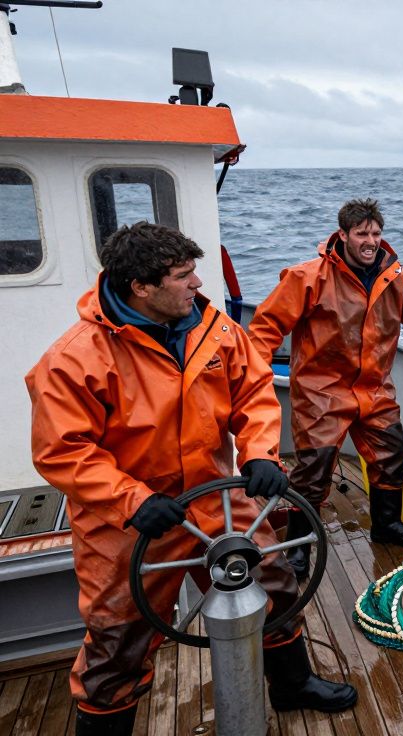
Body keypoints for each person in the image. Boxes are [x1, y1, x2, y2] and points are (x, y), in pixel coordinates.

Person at [26, 223, 357, 735]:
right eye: (183, 276)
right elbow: (62, 451)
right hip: (128, 520)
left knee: (274, 586)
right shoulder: (74, 359)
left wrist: (260, 453)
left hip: (216, 497)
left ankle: (292, 685)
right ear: (141, 286)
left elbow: (254, 392)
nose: (198, 284)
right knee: (118, 637)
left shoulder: (216, 330)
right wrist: (134, 500)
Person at [247, 198, 403, 578]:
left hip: (374, 390)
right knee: (312, 471)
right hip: (321, 392)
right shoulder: (308, 277)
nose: (371, 241)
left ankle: (387, 525)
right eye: (362, 233)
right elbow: (265, 328)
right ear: (343, 235)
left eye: (376, 233)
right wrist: (253, 377)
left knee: (392, 456)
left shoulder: (396, 278)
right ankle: (297, 547)